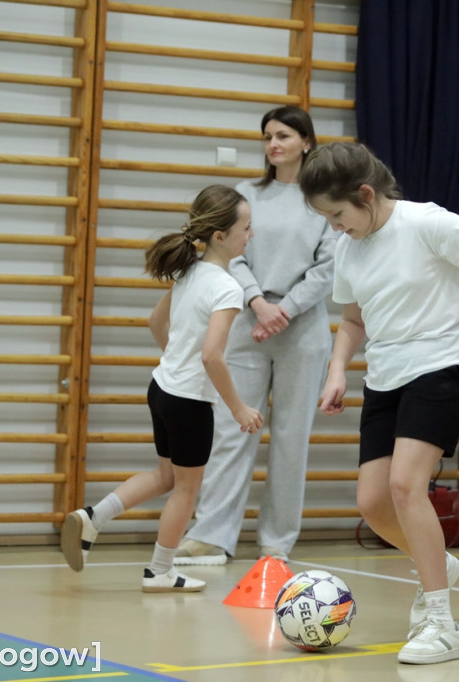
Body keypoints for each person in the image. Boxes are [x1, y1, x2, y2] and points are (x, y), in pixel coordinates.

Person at [298, 142, 459, 665]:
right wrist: (338, 368)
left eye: (338, 215)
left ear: (365, 194)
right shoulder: (348, 249)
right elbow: (355, 319)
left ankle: (441, 623)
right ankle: (435, 562)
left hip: (442, 365)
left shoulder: (426, 222)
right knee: (374, 503)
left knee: (407, 486)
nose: (336, 227)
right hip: (385, 377)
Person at [60, 185, 264, 592]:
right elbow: (212, 357)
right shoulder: (227, 288)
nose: (251, 235)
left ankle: (93, 517)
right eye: (246, 227)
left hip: (162, 388)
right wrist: (239, 407)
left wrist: (176, 360)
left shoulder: (190, 273)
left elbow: (155, 322)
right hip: (188, 402)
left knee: (166, 476)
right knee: (187, 490)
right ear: (221, 237)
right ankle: (160, 571)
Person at [175, 106, 335, 566]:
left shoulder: (323, 201)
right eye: (267, 136)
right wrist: (259, 303)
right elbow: (229, 250)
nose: (273, 144)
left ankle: (276, 543)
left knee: (290, 438)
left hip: (301, 332)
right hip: (249, 323)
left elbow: (328, 266)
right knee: (231, 430)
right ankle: (211, 536)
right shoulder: (246, 195)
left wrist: (286, 309)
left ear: (306, 141)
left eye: (283, 135)